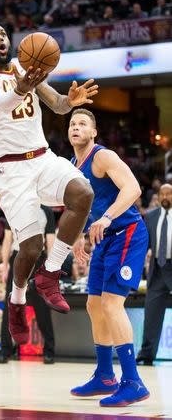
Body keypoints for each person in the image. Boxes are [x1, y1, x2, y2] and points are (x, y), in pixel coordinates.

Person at [0, 24, 97, 345]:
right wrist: (22, 86)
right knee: (31, 247)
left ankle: (50, 274)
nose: (1, 38)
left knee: (83, 194)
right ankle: (16, 301)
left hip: (41, 157)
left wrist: (72, 100)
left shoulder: (25, 68)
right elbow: (0, 102)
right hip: (9, 170)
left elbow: (57, 104)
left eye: (3, 34)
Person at [68, 109, 150, 407]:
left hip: (127, 232)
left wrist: (105, 217)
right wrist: (78, 236)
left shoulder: (102, 156)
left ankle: (133, 382)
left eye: (82, 124)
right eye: (72, 123)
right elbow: (78, 207)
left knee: (112, 304)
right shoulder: (72, 165)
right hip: (103, 238)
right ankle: (105, 376)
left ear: (93, 133)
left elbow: (133, 188)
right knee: (93, 304)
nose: (76, 127)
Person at [0, 206, 56, 364]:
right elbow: (7, 239)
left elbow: (50, 241)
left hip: (39, 259)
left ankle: (49, 351)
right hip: (18, 257)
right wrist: (4, 264)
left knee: (42, 307)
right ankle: (5, 350)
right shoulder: (14, 207)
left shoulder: (47, 211)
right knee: (11, 306)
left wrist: (50, 269)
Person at [136, 183, 172, 365]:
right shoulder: (150, 217)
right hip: (157, 269)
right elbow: (143, 244)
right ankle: (146, 354)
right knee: (151, 315)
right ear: (158, 196)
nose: (165, 197)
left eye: (169, 194)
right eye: (162, 194)